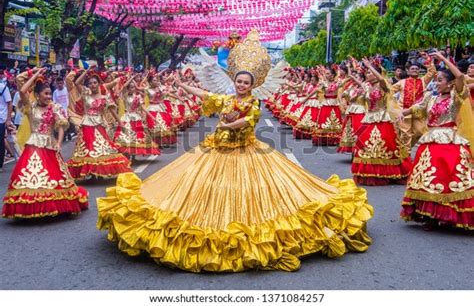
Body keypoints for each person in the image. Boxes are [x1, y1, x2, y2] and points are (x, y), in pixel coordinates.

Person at [96, 30, 373, 273]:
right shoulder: (226, 99)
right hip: (217, 150)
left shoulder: (253, 104)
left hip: (246, 151)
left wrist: (230, 122)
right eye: (239, 81)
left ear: (252, 86)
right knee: (203, 192)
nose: (241, 85)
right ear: (234, 82)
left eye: (246, 83)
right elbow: (205, 95)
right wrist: (182, 85)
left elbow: (248, 121)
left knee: (252, 196)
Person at [400, 52, 474, 230]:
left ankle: (450, 214)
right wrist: (402, 113)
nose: (436, 83)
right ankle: (431, 215)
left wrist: (443, 59)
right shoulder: (430, 97)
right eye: (436, 80)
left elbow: (459, 76)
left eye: (440, 80)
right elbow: (418, 108)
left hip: (450, 141)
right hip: (430, 142)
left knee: (449, 178)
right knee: (429, 178)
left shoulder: (457, 97)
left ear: (449, 83)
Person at [2, 68, 88, 218]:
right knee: (30, 177)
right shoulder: (30, 107)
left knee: (53, 178)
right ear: (37, 95)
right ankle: (31, 206)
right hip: (33, 145)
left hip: (50, 145)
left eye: (50, 93)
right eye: (45, 93)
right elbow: (22, 90)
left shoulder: (55, 107)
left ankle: (55, 205)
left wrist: (59, 143)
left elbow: (61, 126)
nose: (49, 96)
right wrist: (35, 74)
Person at [351, 59, 412, 186]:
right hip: (369, 118)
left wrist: (371, 66)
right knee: (365, 145)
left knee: (386, 145)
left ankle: (390, 172)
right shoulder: (367, 88)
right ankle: (371, 172)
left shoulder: (384, 86)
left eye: (369, 72)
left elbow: (382, 80)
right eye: (367, 72)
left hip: (382, 118)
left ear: (376, 74)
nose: (367, 74)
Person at [67, 70, 132, 181]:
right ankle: (92, 173)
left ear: (99, 84)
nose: (92, 85)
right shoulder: (85, 94)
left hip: (100, 125)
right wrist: (86, 71)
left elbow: (112, 111)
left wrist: (121, 123)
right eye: (90, 83)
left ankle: (99, 171)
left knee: (102, 148)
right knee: (89, 149)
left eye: (94, 83)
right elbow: (77, 83)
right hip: (87, 124)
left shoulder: (105, 97)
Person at [392, 53, 436, 148]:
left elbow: (432, 72)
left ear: (419, 71)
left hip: (418, 112)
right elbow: (390, 90)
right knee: (405, 134)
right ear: (408, 71)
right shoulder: (402, 82)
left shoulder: (423, 80)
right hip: (404, 112)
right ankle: (406, 156)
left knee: (420, 132)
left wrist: (428, 59)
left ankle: (406, 148)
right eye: (412, 69)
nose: (415, 70)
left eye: (416, 69)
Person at [0, 68, 13, 173]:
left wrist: (8, 119)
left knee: (0, 142)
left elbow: (9, 103)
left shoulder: (4, 88)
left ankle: (0, 164)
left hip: (1, 119)